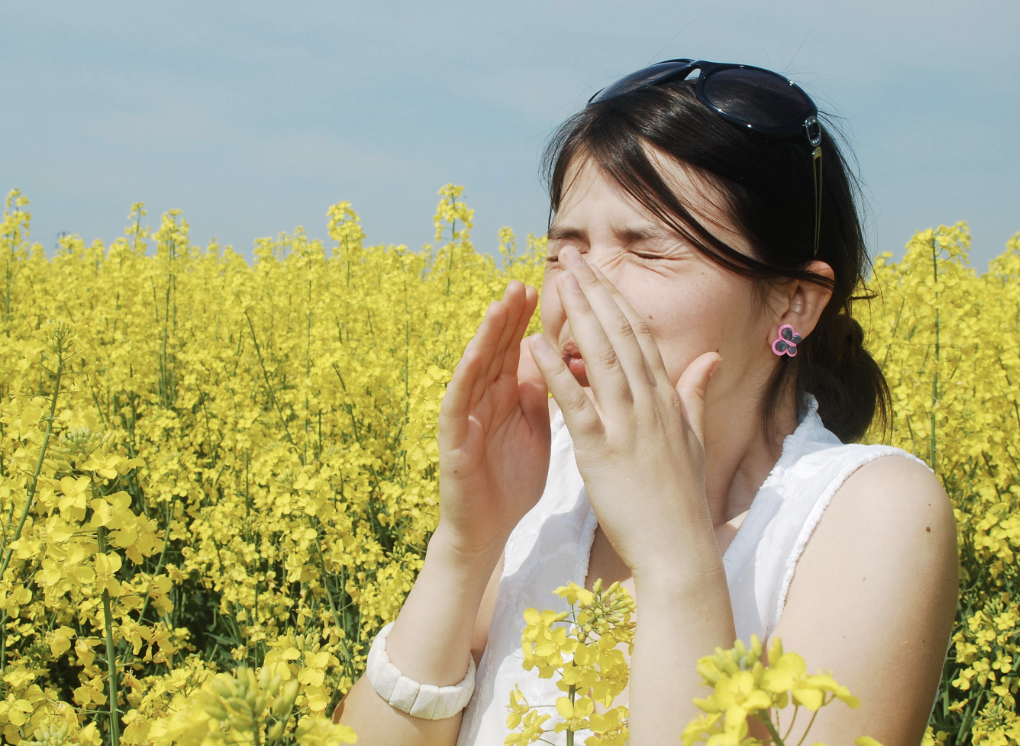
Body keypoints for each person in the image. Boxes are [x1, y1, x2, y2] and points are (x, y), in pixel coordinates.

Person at [333, 59, 959, 746]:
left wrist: (672, 556)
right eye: (563, 251)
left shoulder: (871, 512)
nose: (580, 289)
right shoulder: (552, 485)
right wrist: (463, 547)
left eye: (649, 251)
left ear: (794, 302)